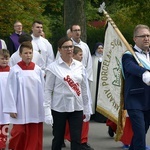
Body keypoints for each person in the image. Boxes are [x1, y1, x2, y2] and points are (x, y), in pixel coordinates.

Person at [44, 37, 91, 150]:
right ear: (59, 49)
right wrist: (47, 111)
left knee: (76, 139)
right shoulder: (53, 68)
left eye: (71, 46)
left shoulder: (80, 66)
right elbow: (48, 90)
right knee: (58, 138)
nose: (69, 49)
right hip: (59, 107)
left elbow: (84, 88)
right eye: (66, 47)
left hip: (77, 107)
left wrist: (87, 107)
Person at [3, 41, 45, 150]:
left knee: (34, 133)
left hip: (35, 108)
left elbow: (43, 90)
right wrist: (11, 108)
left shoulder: (38, 70)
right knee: (19, 132)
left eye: (30, 53)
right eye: (26, 53)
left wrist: (45, 106)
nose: (28, 55)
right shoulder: (15, 70)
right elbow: (10, 90)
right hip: (20, 107)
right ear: (20, 55)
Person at [122, 24, 150, 150]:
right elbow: (130, 67)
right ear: (135, 39)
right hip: (135, 100)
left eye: (148, 36)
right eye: (143, 36)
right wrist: (144, 72)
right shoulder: (128, 55)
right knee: (140, 135)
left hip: (148, 100)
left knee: (141, 134)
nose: (146, 38)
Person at [64, 46, 94, 150]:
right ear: (73, 55)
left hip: (82, 97)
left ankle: (83, 141)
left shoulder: (81, 67)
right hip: (72, 98)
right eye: (80, 55)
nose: (82, 57)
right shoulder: (67, 68)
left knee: (84, 120)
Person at [90, 42, 107, 123]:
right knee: (95, 97)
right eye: (99, 48)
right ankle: (93, 115)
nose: (100, 50)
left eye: (102, 48)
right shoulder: (92, 58)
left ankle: (102, 116)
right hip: (95, 83)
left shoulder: (106, 58)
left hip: (104, 82)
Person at [0, 49, 10, 150]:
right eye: (2, 59)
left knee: (5, 124)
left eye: (6, 59)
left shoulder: (11, 71)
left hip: (6, 102)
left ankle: (2, 143)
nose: (4, 61)